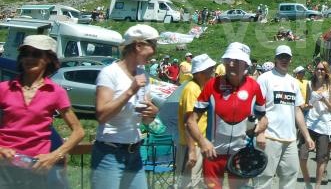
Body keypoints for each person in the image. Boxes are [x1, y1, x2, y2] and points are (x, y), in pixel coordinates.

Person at [0, 35, 85, 189]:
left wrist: (54, 156)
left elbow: (78, 131)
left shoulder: (56, 92)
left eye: (36, 54)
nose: (29, 58)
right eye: (26, 53)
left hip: (35, 169)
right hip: (3, 167)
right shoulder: (4, 88)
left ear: (48, 59)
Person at [187, 42, 268, 189]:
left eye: (236, 61)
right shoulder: (212, 85)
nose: (231, 63)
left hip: (241, 155)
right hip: (213, 154)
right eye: (228, 60)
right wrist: (203, 141)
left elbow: (263, 118)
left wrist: (259, 131)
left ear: (245, 64)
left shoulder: (254, 87)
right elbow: (191, 121)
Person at [91, 25, 160, 189]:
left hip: (134, 152)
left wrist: (152, 113)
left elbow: (146, 119)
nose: (155, 51)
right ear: (138, 46)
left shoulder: (144, 76)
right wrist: (130, 91)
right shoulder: (109, 73)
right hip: (110, 153)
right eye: (153, 46)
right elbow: (101, 115)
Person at [254, 45, 315, 189]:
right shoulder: (264, 79)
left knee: (290, 177)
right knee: (264, 178)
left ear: (291, 59)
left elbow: (297, 111)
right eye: (281, 57)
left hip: (290, 139)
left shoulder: (293, 82)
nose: (284, 60)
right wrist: (260, 133)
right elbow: (257, 108)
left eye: (287, 57)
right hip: (269, 138)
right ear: (275, 59)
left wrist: (307, 136)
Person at [176, 53, 216, 189]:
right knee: (188, 184)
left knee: (196, 183)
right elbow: (188, 122)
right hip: (191, 145)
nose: (212, 72)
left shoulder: (200, 88)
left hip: (199, 144)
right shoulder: (192, 89)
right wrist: (192, 150)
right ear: (199, 73)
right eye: (209, 69)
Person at [300, 61, 331, 189]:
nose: (320, 71)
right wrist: (306, 106)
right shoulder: (310, 84)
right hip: (309, 123)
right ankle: (307, 181)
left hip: (324, 125)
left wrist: (324, 100)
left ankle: (317, 186)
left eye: (322, 69)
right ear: (315, 71)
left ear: (326, 72)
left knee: (321, 158)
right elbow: (306, 104)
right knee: (302, 155)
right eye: (318, 69)